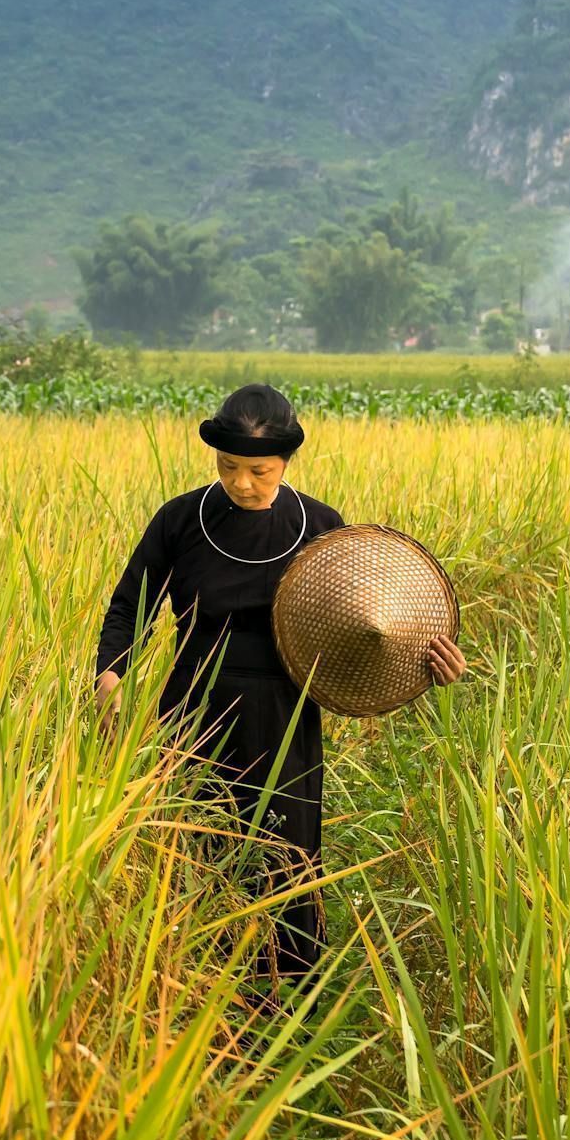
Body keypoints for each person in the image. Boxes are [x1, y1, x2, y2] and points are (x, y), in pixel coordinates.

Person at [93, 382, 462, 984]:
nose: (242, 483)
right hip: (193, 710)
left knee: (286, 860)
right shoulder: (181, 520)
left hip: (284, 718)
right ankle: (195, 999)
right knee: (197, 854)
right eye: (228, 467)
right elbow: (131, 605)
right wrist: (110, 673)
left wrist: (428, 659)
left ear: (286, 462)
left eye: (259, 470)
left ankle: (286, 1005)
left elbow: (370, 622)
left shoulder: (321, 527)